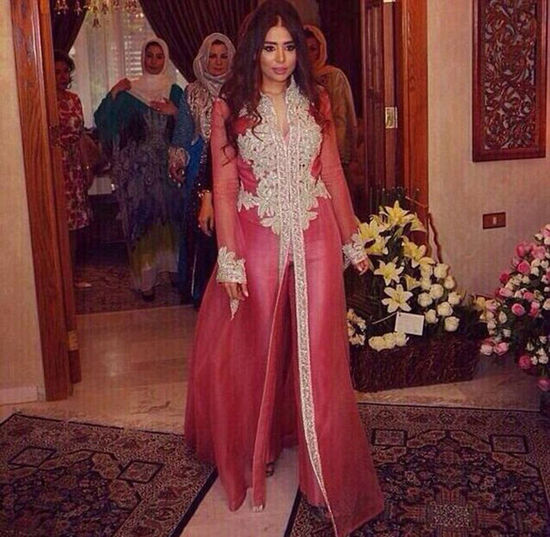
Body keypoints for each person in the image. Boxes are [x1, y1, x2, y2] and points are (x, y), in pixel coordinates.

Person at [184, 2, 384, 536]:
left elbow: (333, 173)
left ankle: (324, 476)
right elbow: (225, 187)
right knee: (258, 349)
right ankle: (258, 447)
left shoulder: (316, 100)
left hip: (316, 234)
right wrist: (229, 259)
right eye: (270, 47)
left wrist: (352, 239)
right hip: (256, 237)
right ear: (256, 50)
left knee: (320, 352)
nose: (280, 58)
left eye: (289, 47)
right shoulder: (230, 105)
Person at [94, 38, 184, 300]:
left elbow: (191, 127)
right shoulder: (130, 92)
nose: (153, 61)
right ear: (143, 58)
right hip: (138, 172)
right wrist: (113, 93)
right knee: (142, 221)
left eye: (159, 56)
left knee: (172, 219)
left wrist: (175, 112)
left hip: (169, 170)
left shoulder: (175, 91)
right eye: (149, 55)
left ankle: (174, 272)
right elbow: (103, 121)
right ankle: (146, 281)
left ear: (165, 59)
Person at [170, 33, 235, 307]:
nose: (218, 62)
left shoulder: (239, 89)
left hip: (231, 164)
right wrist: (178, 160)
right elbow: (183, 132)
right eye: (212, 56)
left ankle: (232, 288)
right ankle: (201, 293)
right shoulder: (192, 92)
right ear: (203, 59)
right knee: (202, 229)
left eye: (223, 56)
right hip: (199, 167)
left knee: (230, 227)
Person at [54, 50, 93, 289]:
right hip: (55, 166)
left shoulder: (74, 99)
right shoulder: (44, 99)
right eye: (56, 72)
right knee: (58, 223)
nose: (62, 76)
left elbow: (80, 136)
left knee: (75, 226)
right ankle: (57, 276)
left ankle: (71, 275)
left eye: (65, 71)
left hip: (74, 166)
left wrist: (86, 166)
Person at [303, 25, 357, 175]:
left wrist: (337, 154)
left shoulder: (333, 76)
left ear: (321, 50)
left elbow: (340, 118)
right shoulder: (292, 79)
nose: (308, 54)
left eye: (313, 49)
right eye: (304, 49)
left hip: (331, 150)